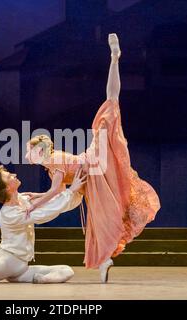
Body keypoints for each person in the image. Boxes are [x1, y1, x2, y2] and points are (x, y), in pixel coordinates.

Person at [24, 33, 161, 282]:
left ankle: (115, 58)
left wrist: (36, 202)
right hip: (93, 176)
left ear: (40, 151)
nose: (26, 155)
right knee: (104, 220)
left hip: (94, 165)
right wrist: (37, 196)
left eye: (29, 151)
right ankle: (106, 260)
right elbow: (61, 189)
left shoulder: (53, 161)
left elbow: (57, 191)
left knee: (109, 108)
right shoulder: (52, 163)